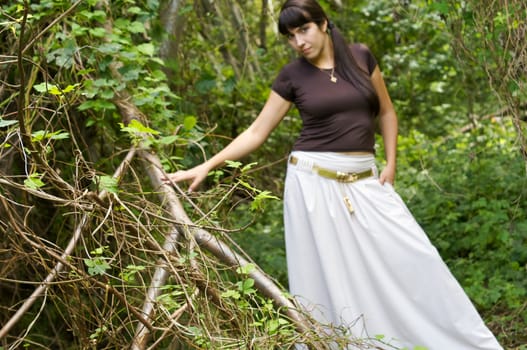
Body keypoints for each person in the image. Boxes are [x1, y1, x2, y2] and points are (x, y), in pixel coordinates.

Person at [165, 0, 503, 349]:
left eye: (304, 29)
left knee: (415, 256)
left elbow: (386, 112)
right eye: (290, 36)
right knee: (331, 278)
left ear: (324, 23)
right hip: (313, 184)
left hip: (366, 180)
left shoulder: (360, 57)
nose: (299, 42)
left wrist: (390, 163)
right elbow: (256, 132)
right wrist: (206, 165)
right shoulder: (292, 76)